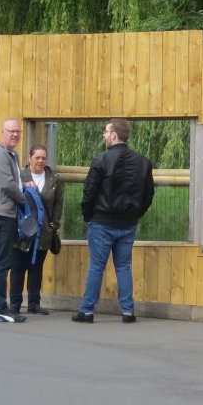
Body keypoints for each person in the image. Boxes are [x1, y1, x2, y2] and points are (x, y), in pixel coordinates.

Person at [73, 118, 154, 324]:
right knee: (124, 266)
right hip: (128, 223)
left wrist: (88, 215)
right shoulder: (143, 162)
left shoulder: (101, 160)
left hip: (102, 221)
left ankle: (87, 310)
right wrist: (136, 214)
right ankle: (128, 311)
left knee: (97, 266)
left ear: (114, 135)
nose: (104, 135)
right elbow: (148, 195)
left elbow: (89, 192)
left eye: (106, 132)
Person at [11, 143, 65, 316]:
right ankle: (15, 305)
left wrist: (53, 225)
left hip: (43, 231)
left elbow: (58, 206)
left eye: (43, 158)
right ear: (29, 158)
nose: (40, 161)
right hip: (22, 230)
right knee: (18, 268)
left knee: (36, 268)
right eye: (37, 157)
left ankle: (34, 303)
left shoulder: (54, 179)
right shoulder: (20, 176)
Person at [0, 118, 28, 324]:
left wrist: (26, 183)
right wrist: (25, 201)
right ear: (3, 132)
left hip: (7, 212)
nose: (15, 135)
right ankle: (0, 308)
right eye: (11, 131)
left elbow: (16, 179)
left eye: (18, 131)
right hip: (1, 213)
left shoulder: (12, 154)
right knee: (2, 263)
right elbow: (8, 184)